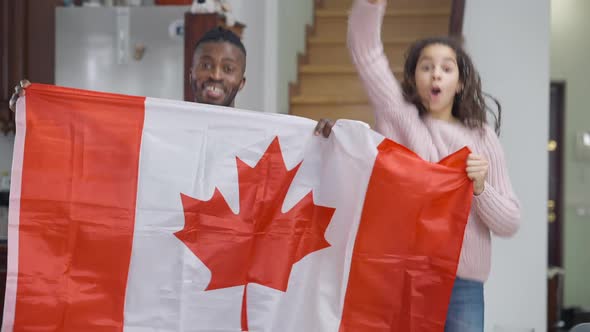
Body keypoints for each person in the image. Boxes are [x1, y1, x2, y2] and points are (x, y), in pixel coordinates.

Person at [315, 0, 521, 330]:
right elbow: (367, 54)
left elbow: (510, 222)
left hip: (463, 286)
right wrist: (371, 6)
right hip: (406, 278)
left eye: (446, 67)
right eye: (426, 66)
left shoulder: (482, 138)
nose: (436, 73)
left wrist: (481, 189)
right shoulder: (399, 118)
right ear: (413, 78)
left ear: (461, 81)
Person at [9, 26, 246, 111]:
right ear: (191, 73)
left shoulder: (260, 140)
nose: (215, 75)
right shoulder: (163, 127)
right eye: (206, 65)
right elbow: (87, 137)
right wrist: (34, 109)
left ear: (241, 82)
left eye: (227, 68)